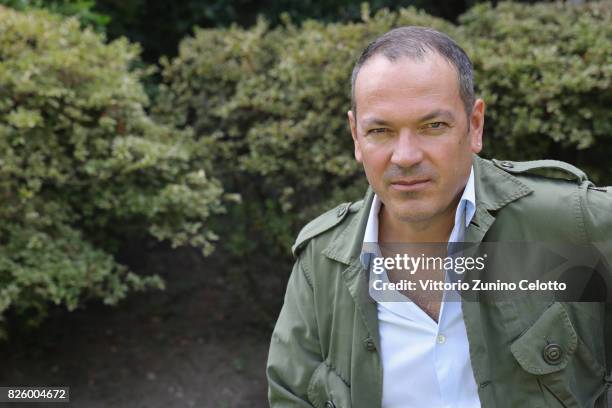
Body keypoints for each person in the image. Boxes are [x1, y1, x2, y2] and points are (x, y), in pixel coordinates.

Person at [267, 26, 611, 408]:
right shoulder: (322, 263)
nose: (406, 156)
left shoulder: (568, 228)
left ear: (474, 125)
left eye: (433, 126)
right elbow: (290, 396)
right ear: (355, 136)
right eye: (380, 130)